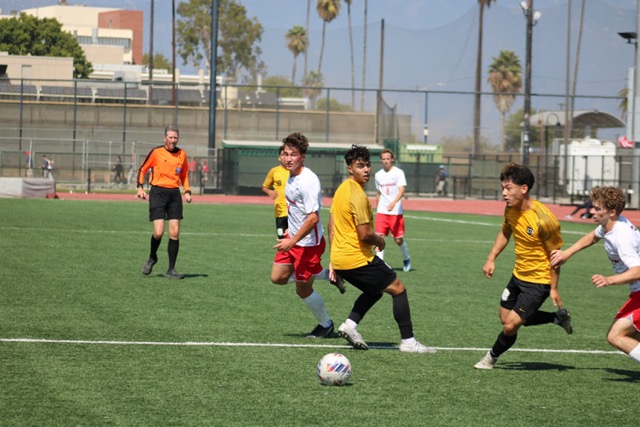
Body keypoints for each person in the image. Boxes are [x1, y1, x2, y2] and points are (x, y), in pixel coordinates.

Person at [328, 144, 437, 353]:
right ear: (350, 168)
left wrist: (333, 260)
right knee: (399, 289)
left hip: (341, 259)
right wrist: (379, 240)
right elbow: (364, 235)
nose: (366, 170)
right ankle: (408, 342)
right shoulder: (358, 195)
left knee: (374, 291)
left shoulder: (341, 189)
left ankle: (350, 325)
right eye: (360, 166)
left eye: (368, 165)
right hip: (357, 258)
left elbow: (331, 226)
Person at [474, 162, 573, 370]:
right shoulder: (510, 209)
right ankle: (557, 318)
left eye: (508, 188)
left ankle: (490, 358)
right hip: (518, 276)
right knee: (506, 318)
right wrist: (491, 258)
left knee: (511, 325)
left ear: (524, 188)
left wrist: (554, 288)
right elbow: (505, 232)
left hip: (539, 282)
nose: (504, 193)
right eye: (503, 188)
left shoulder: (544, 220)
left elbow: (556, 256)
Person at [550, 186, 640, 366]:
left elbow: (638, 270)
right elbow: (593, 236)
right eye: (593, 206)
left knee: (616, 336)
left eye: (597, 209)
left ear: (612, 212)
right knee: (627, 334)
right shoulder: (609, 226)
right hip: (637, 293)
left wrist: (609, 280)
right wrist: (567, 253)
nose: (591, 211)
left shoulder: (622, 236)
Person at [270, 133, 337, 338]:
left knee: (302, 289)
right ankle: (328, 275)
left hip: (308, 244)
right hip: (294, 238)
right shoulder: (289, 176)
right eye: (286, 154)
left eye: (294, 154)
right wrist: (290, 234)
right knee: (278, 278)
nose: (289, 158)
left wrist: (292, 240)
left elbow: (313, 218)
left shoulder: (307, 181)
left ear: (303, 156)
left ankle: (326, 325)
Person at [136, 125, 192, 279]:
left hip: (174, 194)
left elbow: (185, 174)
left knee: (174, 233)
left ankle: (171, 269)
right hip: (158, 193)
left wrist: (187, 191)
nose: (173, 140)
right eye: (170, 137)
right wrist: (140, 187)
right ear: (165, 138)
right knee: (159, 232)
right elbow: (142, 169)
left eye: (175, 137)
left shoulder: (182, 154)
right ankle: (152, 257)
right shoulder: (156, 152)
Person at [374, 148, 411, 272]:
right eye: (383, 159)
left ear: (392, 159)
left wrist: (393, 203)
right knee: (379, 238)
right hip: (382, 212)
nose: (386, 161)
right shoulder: (378, 175)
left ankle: (406, 258)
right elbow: (378, 193)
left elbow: (402, 190)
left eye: (388, 159)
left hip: (396, 212)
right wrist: (378, 207)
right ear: (381, 160)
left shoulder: (398, 173)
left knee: (398, 239)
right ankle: (380, 266)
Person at [262, 145, 289, 239]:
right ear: (279, 157)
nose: (285, 157)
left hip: (293, 213)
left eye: (287, 154)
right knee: (281, 239)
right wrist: (270, 192)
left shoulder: (295, 171)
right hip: (280, 212)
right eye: (283, 154)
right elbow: (264, 187)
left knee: (294, 242)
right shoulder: (274, 171)